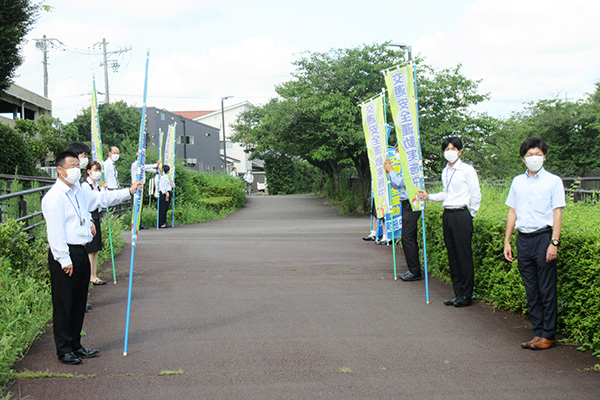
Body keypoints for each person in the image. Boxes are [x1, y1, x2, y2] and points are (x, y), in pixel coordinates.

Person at [42, 151, 140, 364]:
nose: (76, 169)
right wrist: (63, 259)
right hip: (65, 255)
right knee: (64, 303)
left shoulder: (78, 191)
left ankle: (76, 344)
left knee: (79, 302)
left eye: (78, 165)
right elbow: (55, 232)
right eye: (72, 165)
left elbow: (101, 199)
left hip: (81, 251)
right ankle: (64, 349)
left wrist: (129, 191)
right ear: (60, 170)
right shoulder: (54, 197)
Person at [503, 136, 565, 350]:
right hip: (524, 239)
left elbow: (557, 212)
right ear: (523, 159)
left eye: (538, 154)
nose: (534, 158)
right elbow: (512, 211)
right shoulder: (517, 182)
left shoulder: (553, 181)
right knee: (531, 289)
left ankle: (549, 334)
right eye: (530, 155)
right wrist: (507, 241)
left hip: (543, 237)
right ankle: (537, 332)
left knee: (546, 288)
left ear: (544, 156)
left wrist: (554, 242)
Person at [418, 137, 481, 307]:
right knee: (452, 255)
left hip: (461, 213)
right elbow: (446, 194)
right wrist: (429, 196)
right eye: (447, 149)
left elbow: (476, 194)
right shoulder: (445, 171)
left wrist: (470, 214)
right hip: (448, 214)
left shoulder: (467, 170)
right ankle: (457, 293)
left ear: (460, 152)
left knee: (464, 256)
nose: (450, 151)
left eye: (453, 148)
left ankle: (467, 295)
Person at [384, 150, 423, 281]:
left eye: (398, 151)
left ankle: (414, 271)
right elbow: (396, 185)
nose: (396, 154)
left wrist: (391, 171)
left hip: (412, 203)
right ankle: (413, 269)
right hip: (406, 203)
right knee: (409, 236)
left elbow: (402, 182)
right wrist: (390, 172)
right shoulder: (405, 167)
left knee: (407, 237)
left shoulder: (413, 166)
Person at [81, 161, 107, 286]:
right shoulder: (86, 186)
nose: (98, 173)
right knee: (91, 249)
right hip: (90, 216)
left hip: (97, 215)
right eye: (96, 170)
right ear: (89, 171)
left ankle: (94, 274)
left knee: (95, 249)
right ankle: (91, 276)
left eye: (99, 170)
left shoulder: (96, 185)